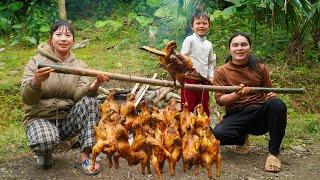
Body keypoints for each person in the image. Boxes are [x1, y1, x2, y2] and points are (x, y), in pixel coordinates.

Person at [20, 20, 108, 175]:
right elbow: (27, 99)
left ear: (73, 40)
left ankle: (85, 156)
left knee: (90, 100)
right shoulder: (36, 62)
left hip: (67, 119)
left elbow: (77, 96)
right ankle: (44, 154)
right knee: (44, 141)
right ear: (51, 39)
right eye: (58, 34)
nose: (63, 39)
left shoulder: (79, 65)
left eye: (68, 35)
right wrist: (36, 82)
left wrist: (94, 85)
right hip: (40, 117)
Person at [212, 32, 287, 173]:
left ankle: (274, 153)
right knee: (218, 134)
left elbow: (269, 92)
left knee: (278, 104)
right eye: (235, 45)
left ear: (250, 48)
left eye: (243, 44)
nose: (239, 48)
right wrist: (236, 94)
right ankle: (241, 138)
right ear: (230, 49)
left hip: (258, 114)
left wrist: (272, 95)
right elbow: (220, 100)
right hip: (236, 115)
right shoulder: (221, 71)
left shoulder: (260, 68)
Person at [180, 10, 216, 116]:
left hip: (203, 80)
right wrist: (189, 68)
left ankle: (203, 130)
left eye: (204, 23)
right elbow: (183, 57)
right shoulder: (190, 39)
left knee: (203, 107)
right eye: (198, 23)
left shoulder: (209, 44)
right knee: (188, 106)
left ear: (209, 26)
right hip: (189, 78)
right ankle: (186, 131)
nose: (201, 26)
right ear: (192, 26)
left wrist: (211, 76)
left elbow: (210, 63)